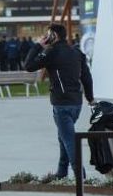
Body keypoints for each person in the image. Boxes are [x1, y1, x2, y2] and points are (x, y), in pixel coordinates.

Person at [24, 23, 95, 179]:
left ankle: (80, 177)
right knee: (63, 136)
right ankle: (61, 172)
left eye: (48, 34)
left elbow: (28, 66)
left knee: (69, 140)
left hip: (62, 104)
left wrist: (37, 45)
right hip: (77, 103)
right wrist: (90, 98)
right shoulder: (76, 52)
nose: (46, 37)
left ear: (54, 36)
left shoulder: (51, 52)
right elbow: (86, 77)